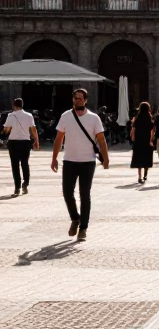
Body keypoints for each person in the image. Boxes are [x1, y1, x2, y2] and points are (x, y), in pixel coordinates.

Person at [51, 89, 109, 241]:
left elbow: (101, 139)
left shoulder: (94, 118)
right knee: (67, 193)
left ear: (85, 100)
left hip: (88, 162)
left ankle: (83, 228)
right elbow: (58, 139)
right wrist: (54, 158)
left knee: (85, 195)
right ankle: (75, 218)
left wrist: (106, 158)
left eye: (80, 98)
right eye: (75, 98)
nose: (77, 100)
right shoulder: (65, 116)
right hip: (69, 160)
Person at [2, 98, 39, 196]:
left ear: (14, 105)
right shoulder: (29, 115)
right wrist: (36, 141)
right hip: (25, 142)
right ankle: (25, 184)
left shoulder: (11, 115)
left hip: (13, 143)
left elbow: (6, 130)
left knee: (15, 166)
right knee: (25, 163)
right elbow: (33, 130)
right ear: (22, 105)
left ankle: (17, 188)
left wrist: (4, 133)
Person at [129, 102, 154, 185]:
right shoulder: (149, 118)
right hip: (146, 140)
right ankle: (145, 175)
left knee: (139, 159)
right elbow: (152, 131)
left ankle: (139, 176)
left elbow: (133, 130)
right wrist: (151, 140)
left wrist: (132, 137)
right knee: (147, 158)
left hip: (138, 140)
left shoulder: (137, 118)